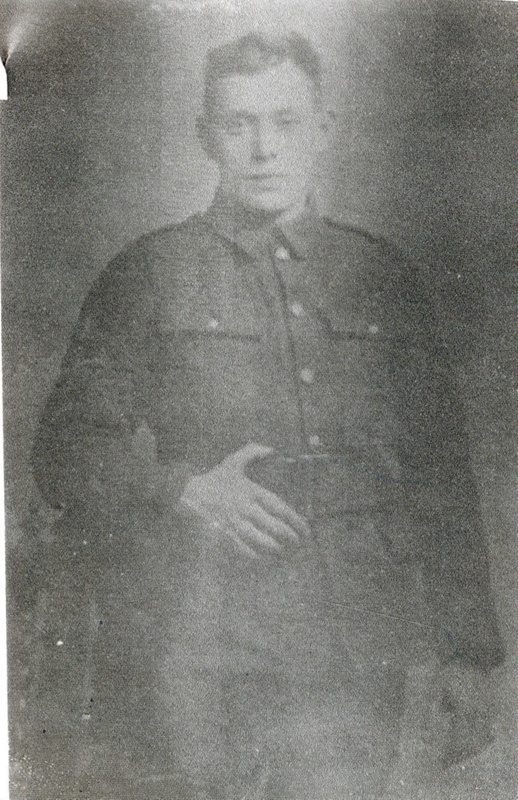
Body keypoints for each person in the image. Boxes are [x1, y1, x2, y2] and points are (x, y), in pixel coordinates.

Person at [33, 31, 504, 799]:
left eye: (286, 124)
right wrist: (183, 490)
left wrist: (468, 657)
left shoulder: (381, 276)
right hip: (193, 648)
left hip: (351, 654)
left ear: (324, 130)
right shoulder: (149, 272)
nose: (262, 149)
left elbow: (441, 477)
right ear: (205, 135)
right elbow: (63, 450)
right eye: (239, 123)